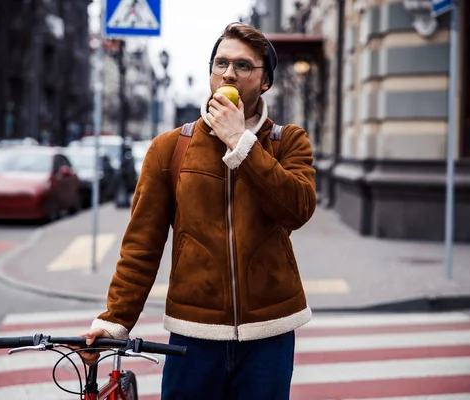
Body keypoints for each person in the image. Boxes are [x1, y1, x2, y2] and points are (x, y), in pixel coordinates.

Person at [80, 22, 316, 399]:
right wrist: (115, 321)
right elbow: (142, 244)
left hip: (268, 335)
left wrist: (241, 143)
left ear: (265, 80)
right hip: (193, 336)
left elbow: (298, 209)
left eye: (243, 66)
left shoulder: (286, 142)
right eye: (220, 63)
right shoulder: (170, 148)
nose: (228, 73)